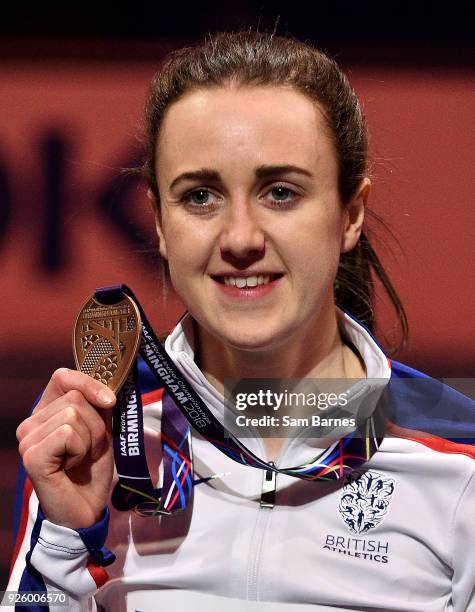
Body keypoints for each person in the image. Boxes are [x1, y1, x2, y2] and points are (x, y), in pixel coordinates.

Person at [8, 31, 475, 612]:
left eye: (280, 192)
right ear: (157, 221)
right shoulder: (93, 441)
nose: (241, 239)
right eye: (201, 196)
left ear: (350, 214)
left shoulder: (458, 459)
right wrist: (62, 540)